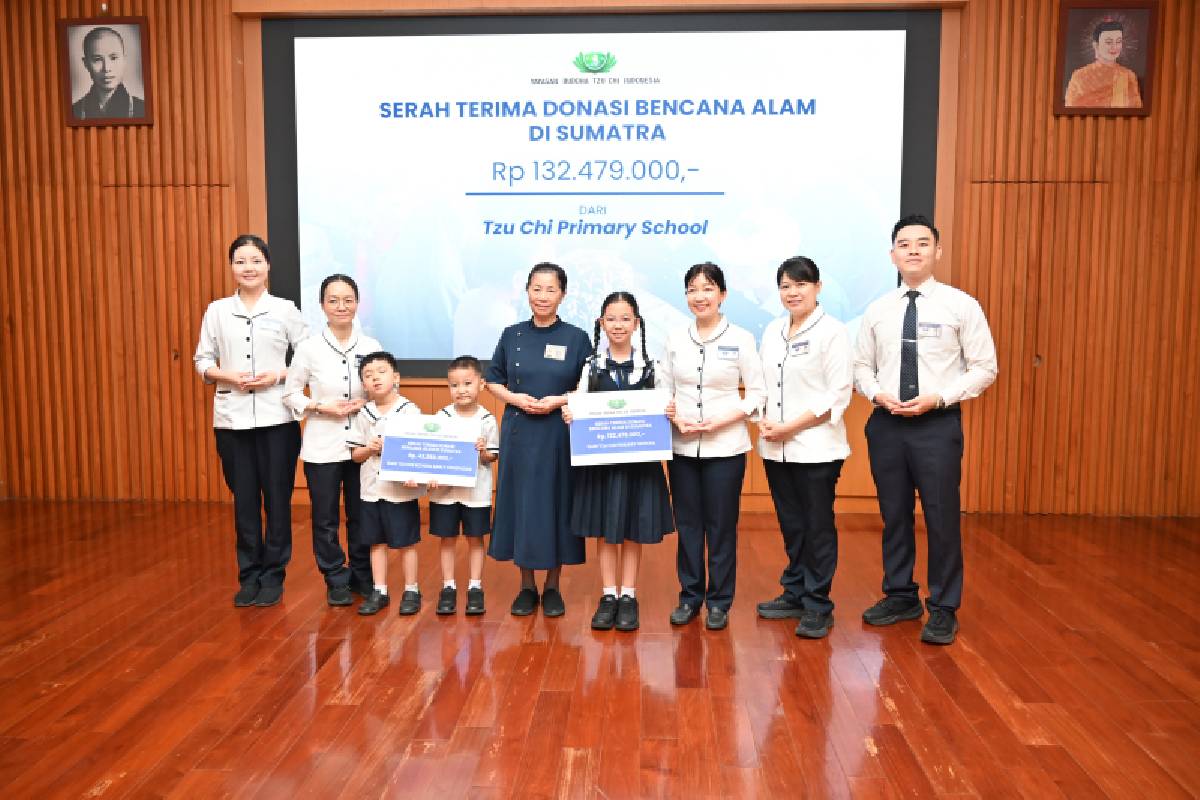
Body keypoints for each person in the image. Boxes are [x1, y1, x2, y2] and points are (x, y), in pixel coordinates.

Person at [853, 214, 998, 645]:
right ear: (892, 254)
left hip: (937, 425)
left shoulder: (961, 305)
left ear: (937, 251)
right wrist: (877, 394)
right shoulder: (878, 310)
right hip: (887, 424)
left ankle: (943, 606)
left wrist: (940, 398)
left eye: (922, 243)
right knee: (894, 514)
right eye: (904, 243)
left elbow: (985, 368)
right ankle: (900, 595)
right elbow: (862, 365)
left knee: (941, 516)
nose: (913, 250)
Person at [194, 234, 308, 607]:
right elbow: (202, 361)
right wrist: (227, 376)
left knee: (277, 498)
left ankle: (274, 575)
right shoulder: (217, 311)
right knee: (244, 500)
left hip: (277, 416)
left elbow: (307, 358)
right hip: (232, 418)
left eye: (256, 260)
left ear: (268, 266)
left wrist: (277, 375)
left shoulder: (285, 309)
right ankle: (249, 574)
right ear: (232, 267)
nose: (248, 268)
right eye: (241, 261)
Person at [661, 263, 767, 630]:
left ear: (722, 294)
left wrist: (726, 418)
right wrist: (674, 417)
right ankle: (690, 596)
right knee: (688, 524)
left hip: (727, 445)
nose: (699, 296)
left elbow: (757, 392)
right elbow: (663, 391)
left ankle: (720, 601)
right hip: (683, 445)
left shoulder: (741, 338)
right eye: (692, 289)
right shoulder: (675, 338)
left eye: (707, 289)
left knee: (721, 525)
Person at [562, 292, 675, 632]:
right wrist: (572, 413)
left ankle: (629, 595)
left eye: (625, 318)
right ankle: (608, 594)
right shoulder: (590, 367)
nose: (618, 325)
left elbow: (666, 405)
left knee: (632, 528)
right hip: (601, 464)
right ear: (601, 323)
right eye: (611, 318)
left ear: (636, 323)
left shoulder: (652, 366)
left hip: (640, 465)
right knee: (605, 528)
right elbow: (578, 405)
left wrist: (668, 410)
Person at [485, 263, 591, 617]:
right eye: (536, 288)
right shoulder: (511, 334)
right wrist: (516, 399)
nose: (542, 296)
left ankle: (554, 586)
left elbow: (587, 387)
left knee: (557, 504)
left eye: (550, 289)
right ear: (527, 291)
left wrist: (559, 400)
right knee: (523, 505)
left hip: (559, 431)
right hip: (519, 431)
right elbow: (493, 380)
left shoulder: (576, 338)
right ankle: (526, 585)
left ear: (563, 294)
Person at [754, 257, 852, 639]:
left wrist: (789, 427)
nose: (792, 292)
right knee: (792, 525)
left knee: (817, 526)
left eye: (800, 284)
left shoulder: (833, 332)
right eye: (785, 286)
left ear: (817, 287)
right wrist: (763, 418)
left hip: (816, 449)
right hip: (776, 448)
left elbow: (837, 393)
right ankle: (794, 592)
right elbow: (764, 384)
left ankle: (818, 604)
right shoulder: (773, 331)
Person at [282, 274, 381, 606]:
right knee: (325, 516)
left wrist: (365, 402)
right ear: (322, 305)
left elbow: (384, 391)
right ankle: (335, 577)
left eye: (348, 299)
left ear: (357, 303)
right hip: (321, 445)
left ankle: (361, 573)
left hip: (363, 445)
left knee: (361, 512)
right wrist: (318, 406)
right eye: (334, 300)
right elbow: (291, 394)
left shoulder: (370, 346)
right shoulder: (309, 348)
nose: (342, 306)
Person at [346, 352, 426, 616]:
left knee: (406, 542)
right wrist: (369, 448)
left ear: (396, 377)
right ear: (364, 385)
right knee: (375, 542)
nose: (375, 378)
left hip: (400, 491)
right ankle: (379, 590)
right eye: (368, 376)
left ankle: (411, 589)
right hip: (371, 491)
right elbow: (355, 455)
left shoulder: (409, 410)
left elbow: (418, 450)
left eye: (381, 371)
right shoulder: (363, 414)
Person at [428, 356, 499, 616]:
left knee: (475, 538)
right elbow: (433, 453)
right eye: (454, 385)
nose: (461, 390)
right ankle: (448, 586)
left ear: (481, 384)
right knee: (447, 538)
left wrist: (482, 451)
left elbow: (491, 456)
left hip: (475, 493)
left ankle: (475, 586)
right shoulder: (441, 417)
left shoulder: (487, 419)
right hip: (444, 493)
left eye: (468, 383)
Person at [1064, 19, 1143, 108]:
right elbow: (1071, 109)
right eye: (1109, 42)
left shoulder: (1128, 76)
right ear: (1096, 45)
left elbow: (1135, 111)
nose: (1114, 47)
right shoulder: (1079, 76)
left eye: (1118, 41)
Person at [72, 26, 145, 120]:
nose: (106, 68)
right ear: (86, 63)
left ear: (124, 60)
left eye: (113, 58)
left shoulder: (142, 109)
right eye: (97, 59)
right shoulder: (74, 111)